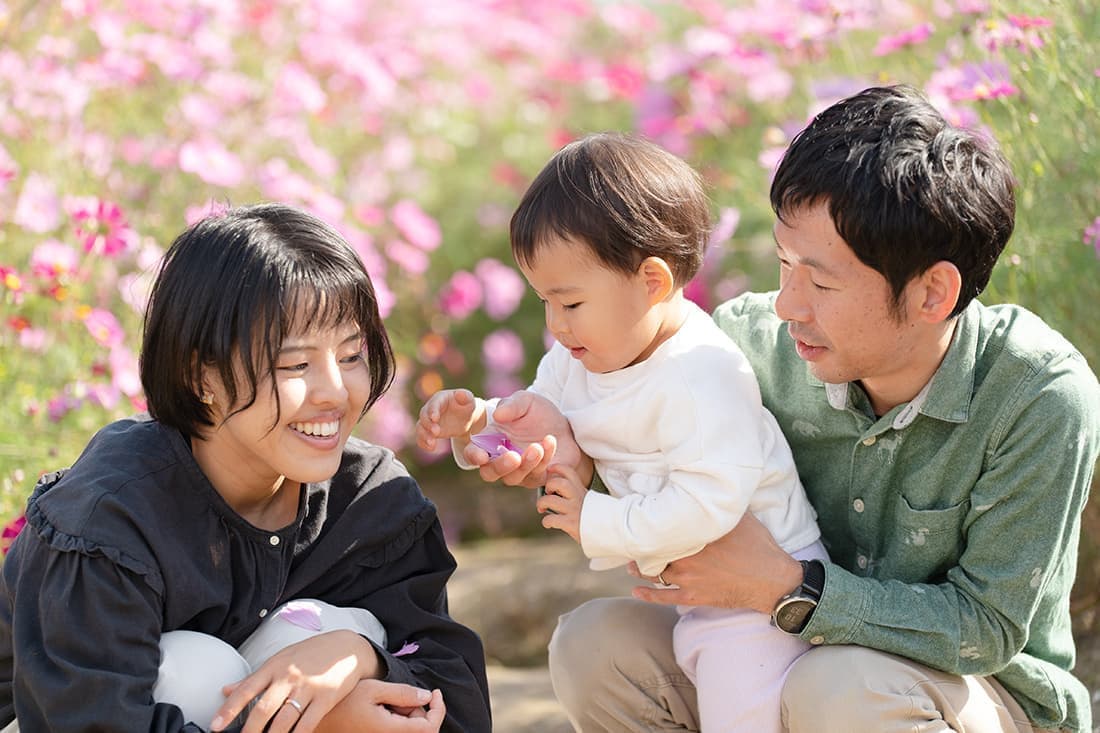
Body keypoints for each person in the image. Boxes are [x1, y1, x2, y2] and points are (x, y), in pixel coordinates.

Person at [467, 85, 1100, 732]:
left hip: (966, 692)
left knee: (838, 688)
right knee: (597, 644)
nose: (786, 305)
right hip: (768, 648)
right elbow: (666, 451)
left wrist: (790, 586)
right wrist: (568, 452)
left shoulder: (1036, 395)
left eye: (821, 281)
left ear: (933, 291)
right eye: (782, 264)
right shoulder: (744, 345)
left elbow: (985, 629)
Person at [0, 203, 492, 732]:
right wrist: (321, 727)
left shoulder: (371, 501)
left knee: (337, 631)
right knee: (195, 668)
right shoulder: (112, 515)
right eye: (295, 365)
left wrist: (357, 657)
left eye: (351, 356)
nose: (335, 392)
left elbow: (459, 703)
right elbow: (89, 722)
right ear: (201, 376)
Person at [417, 132, 826, 731]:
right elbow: (540, 420)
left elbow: (710, 506)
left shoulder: (700, 376)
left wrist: (595, 520)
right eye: (543, 302)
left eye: (571, 303)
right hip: (694, 598)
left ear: (653, 283)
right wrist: (480, 423)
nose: (555, 324)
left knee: (743, 716)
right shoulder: (581, 355)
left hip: (760, 603)